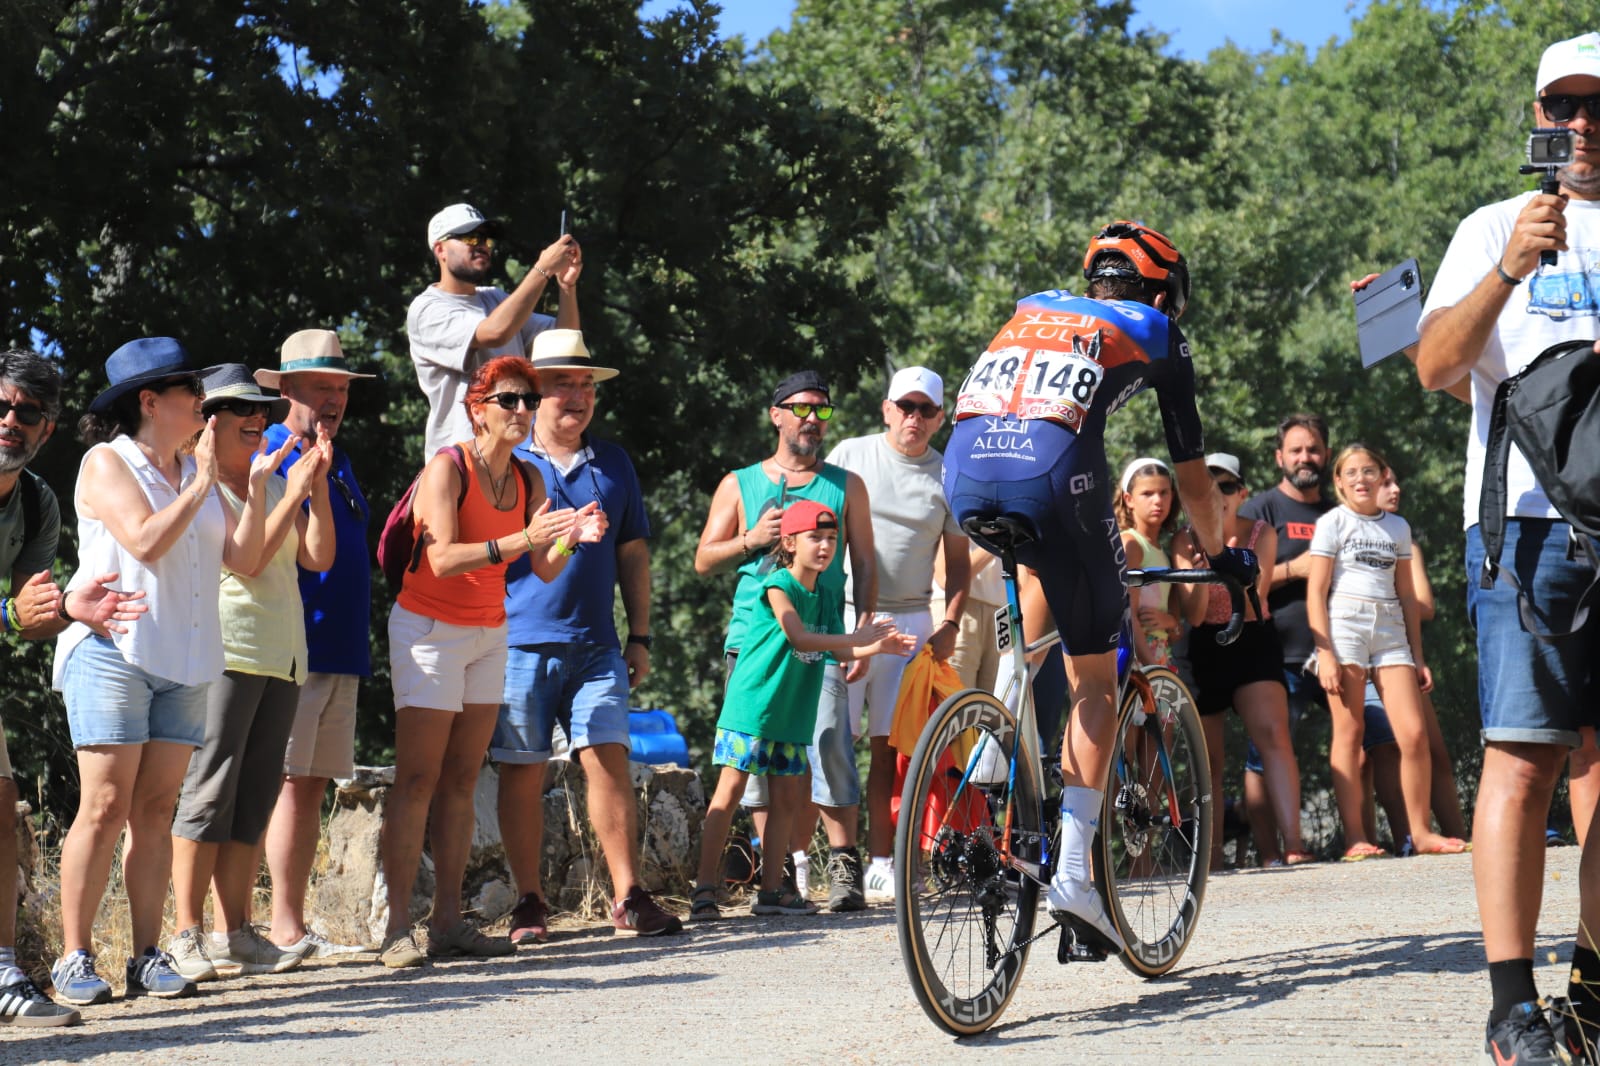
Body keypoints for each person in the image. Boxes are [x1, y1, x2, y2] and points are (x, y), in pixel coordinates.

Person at [943, 220, 1236, 954]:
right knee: (1097, 682)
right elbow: (1192, 473)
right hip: (1049, 478)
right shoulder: (1157, 328)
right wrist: (1222, 551)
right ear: (1164, 291)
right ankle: (1075, 873)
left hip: (963, 475)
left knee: (1046, 578)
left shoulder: (1034, 304)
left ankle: (1004, 724)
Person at [1414, 32, 1600, 1063]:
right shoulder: (1493, 224)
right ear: (1536, 119)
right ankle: (1510, 1004)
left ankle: (1592, 989)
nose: (1579, 126)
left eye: (1596, 108)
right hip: (1526, 526)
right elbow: (1436, 366)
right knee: (1522, 762)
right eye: (1561, 108)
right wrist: (1504, 267)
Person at [50, 338, 269, 1005]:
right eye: (190, 392)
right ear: (150, 401)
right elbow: (144, 539)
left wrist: (254, 487)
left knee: (153, 811)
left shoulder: (190, 469)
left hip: (186, 659)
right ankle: (74, 957)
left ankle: (146, 956)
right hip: (115, 654)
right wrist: (205, 479)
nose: (204, 403)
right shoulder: (108, 462)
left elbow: (246, 560)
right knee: (106, 806)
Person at [377, 356, 604, 968]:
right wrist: (522, 541)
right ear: (477, 408)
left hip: (487, 633)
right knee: (417, 779)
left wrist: (571, 534)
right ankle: (398, 928)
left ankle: (447, 921)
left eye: (529, 400)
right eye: (510, 400)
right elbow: (445, 558)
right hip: (428, 630)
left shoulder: (529, 478)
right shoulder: (447, 469)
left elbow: (544, 564)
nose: (524, 411)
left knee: (460, 779)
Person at [491, 330, 683, 941]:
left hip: (599, 643)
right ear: (533, 393)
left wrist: (641, 636)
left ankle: (628, 895)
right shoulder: (508, 461)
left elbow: (634, 555)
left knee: (609, 760)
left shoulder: (615, 461)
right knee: (523, 770)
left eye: (585, 384)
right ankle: (528, 901)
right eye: (560, 383)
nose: (576, 395)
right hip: (517, 639)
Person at [165, 365, 334, 982]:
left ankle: (233, 933)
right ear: (207, 422)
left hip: (283, 655)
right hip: (229, 651)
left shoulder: (269, 477)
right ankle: (186, 935)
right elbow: (251, 556)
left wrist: (313, 483)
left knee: (253, 800)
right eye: (241, 409)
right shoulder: (200, 485)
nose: (256, 418)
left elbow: (319, 555)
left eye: (260, 408)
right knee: (209, 793)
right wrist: (287, 489)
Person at [693, 369, 877, 912]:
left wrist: (862, 629)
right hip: (753, 644)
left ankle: (835, 870)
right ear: (776, 414)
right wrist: (751, 539)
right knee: (746, 774)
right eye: (801, 408)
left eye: (822, 410)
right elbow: (704, 559)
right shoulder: (740, 483)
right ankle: (751, 881)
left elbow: (864, 561)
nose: (812, 420)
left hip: (821, 636)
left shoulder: (846, 486)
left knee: (818, 752)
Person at [690, 501, 913, 919]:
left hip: (792, 713)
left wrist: (877, 645)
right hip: (753, 708)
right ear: (789, 543)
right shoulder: (778, 584)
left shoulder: (826, 594)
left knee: (786, 801)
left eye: (832, 538)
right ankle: (704, 889)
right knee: (731, 790)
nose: (826, 546)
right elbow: (799, 637)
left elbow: (838, 646)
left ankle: (772, 891)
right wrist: (855, 636)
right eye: (816, 538)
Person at [826, 366, 970, 902]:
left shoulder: (947, 474)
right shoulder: (850, 454)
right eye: (904, 407)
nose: (914, 418)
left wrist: (950, 621)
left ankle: (882, 863)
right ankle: (804, 866)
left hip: (911, 623)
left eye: (925, 410)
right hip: (843, 615)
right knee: (826, 741)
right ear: (886, 408)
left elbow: (958, 563)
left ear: (940, 416)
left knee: (891, 748)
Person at [255, 330, 377, 958]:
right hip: (293, 646)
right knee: (282, 782)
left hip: (339, 647)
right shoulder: (273, 450)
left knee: (306, 785)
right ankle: (271, 927)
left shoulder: (339, 456)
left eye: (341, 388)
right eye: (321, 387)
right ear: (286, 391)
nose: (335, 398)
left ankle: (290, 927)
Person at [1306, 444, 1466, 862]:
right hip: (1345, 628)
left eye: (1370, 471)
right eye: (1352, 472)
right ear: (1338, 481)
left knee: (1413, 734)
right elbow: (1316, 592)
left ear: (1381, 477)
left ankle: (1420, 832)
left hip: (1392, 631)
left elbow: (1408, 595)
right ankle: (1356, 837)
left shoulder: (1397, 527)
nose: (1362, 479)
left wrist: (1418, 655)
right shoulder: (1332, 523)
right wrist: (1324, 652)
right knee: (1351, 732)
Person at [1172, 453, 1309, 871]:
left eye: (1226, 486)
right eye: (1208, 487)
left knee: (1273, 734)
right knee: (1208, 760)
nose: (1217, 495)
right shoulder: (1183, 541)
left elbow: (1253, 604)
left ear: (1242, 493)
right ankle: (1209, 857)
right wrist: (1199, 572)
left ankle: (1295, 843)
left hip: (1251, 636)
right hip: (1201, 646)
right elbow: (1194, 616)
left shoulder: (1261, 534)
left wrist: (1220, 561)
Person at [0, 350, 83, 1025]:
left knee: (2, 811)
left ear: (47, 429)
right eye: (2, 405)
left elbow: (27, 618)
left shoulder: (38, 503)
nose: (10, 421)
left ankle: (1, 970)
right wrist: (9, 613)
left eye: (28, 414)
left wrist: (60, 612)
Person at [1236, 413, 1334, 866]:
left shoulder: (1339, 511)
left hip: (1339, 649)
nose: (1305, 457)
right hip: (1280, 652)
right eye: (1295, 450)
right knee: (1267, 750)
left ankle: (1366, 838)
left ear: (1326, 454)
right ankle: (1271, 853)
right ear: (1279, 457)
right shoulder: (1262, 511)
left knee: (1370, 739)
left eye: (1312, 449)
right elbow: (1240, 580)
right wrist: (1296, 568)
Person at [408, 203, 582, 456]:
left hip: (516, 459)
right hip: (462, 464)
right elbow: (494, 333)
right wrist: (542, 269)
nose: (481, 245)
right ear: (440, 249)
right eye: (469, 237)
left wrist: (567, 287)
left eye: (485, 239)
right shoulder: (427, 309)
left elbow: (564, 343)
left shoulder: (495, 299)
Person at [1361, 470, 1470, 852]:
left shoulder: (1404, 541)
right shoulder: (1343, 535)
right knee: (1383, 751)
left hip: (1402, 658)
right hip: (1360, 657)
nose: (1396, 489)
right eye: (1385, 483)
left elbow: (1423, 604)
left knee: (1430, 748)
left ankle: (1460, 836)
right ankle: (1405, 838)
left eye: (1395, 480)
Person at [1115, 457, 1184, 668]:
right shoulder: (1131, 544)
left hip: (1160, 653)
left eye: (1164, 492)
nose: (1158, 500)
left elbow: (1175, 626)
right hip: (1137, 658)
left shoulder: (1163, 551)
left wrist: (1170, 622)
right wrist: (1154, 670)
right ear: (1129, 499)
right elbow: (1126, 617)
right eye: (1147, 493)